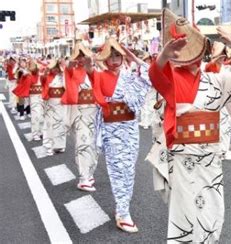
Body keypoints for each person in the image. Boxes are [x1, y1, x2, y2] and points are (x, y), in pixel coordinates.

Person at [147, 9, 231, 242]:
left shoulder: (216, 80)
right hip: (183, 158)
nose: (192, 57)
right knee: (186, 217)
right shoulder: (172, 76)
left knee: (212, 215)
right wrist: (164, 56)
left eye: (197, 50)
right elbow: (155, 76)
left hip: (210, 159)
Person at [87, 37, 152, 233]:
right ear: (105, 59)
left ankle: (122, 209)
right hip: (112, 128)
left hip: (130, 127)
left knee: (129, 169)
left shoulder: (129, 75)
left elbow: (149, 77)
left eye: (118, 55)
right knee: (118, 169)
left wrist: (135, 58)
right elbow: (90, 71)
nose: (115, 59)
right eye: (111, 56)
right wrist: (90, 61)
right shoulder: (99, 75)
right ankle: (123, 212)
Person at [61, 41, 99, 191]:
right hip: (81, 113)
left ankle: (89, 173)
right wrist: (70, 65)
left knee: (95, 146)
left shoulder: (94, 70)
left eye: (84, 55)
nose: (82, 58)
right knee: (83, 144)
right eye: (79, 55)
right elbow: (68, 71)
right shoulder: (72, 71)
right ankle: (83, 177)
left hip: (95, 113)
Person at [42, 58, 67, 156]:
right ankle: (50, 145)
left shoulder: (63, 76)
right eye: (54, 68)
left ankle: (60, 145)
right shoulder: (47, 76)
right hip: (50, 103)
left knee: (60, 123)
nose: (55, 70)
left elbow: (67, 87)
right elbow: (43, 84)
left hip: (60, 102)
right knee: (50, 124)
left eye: (57, 67)